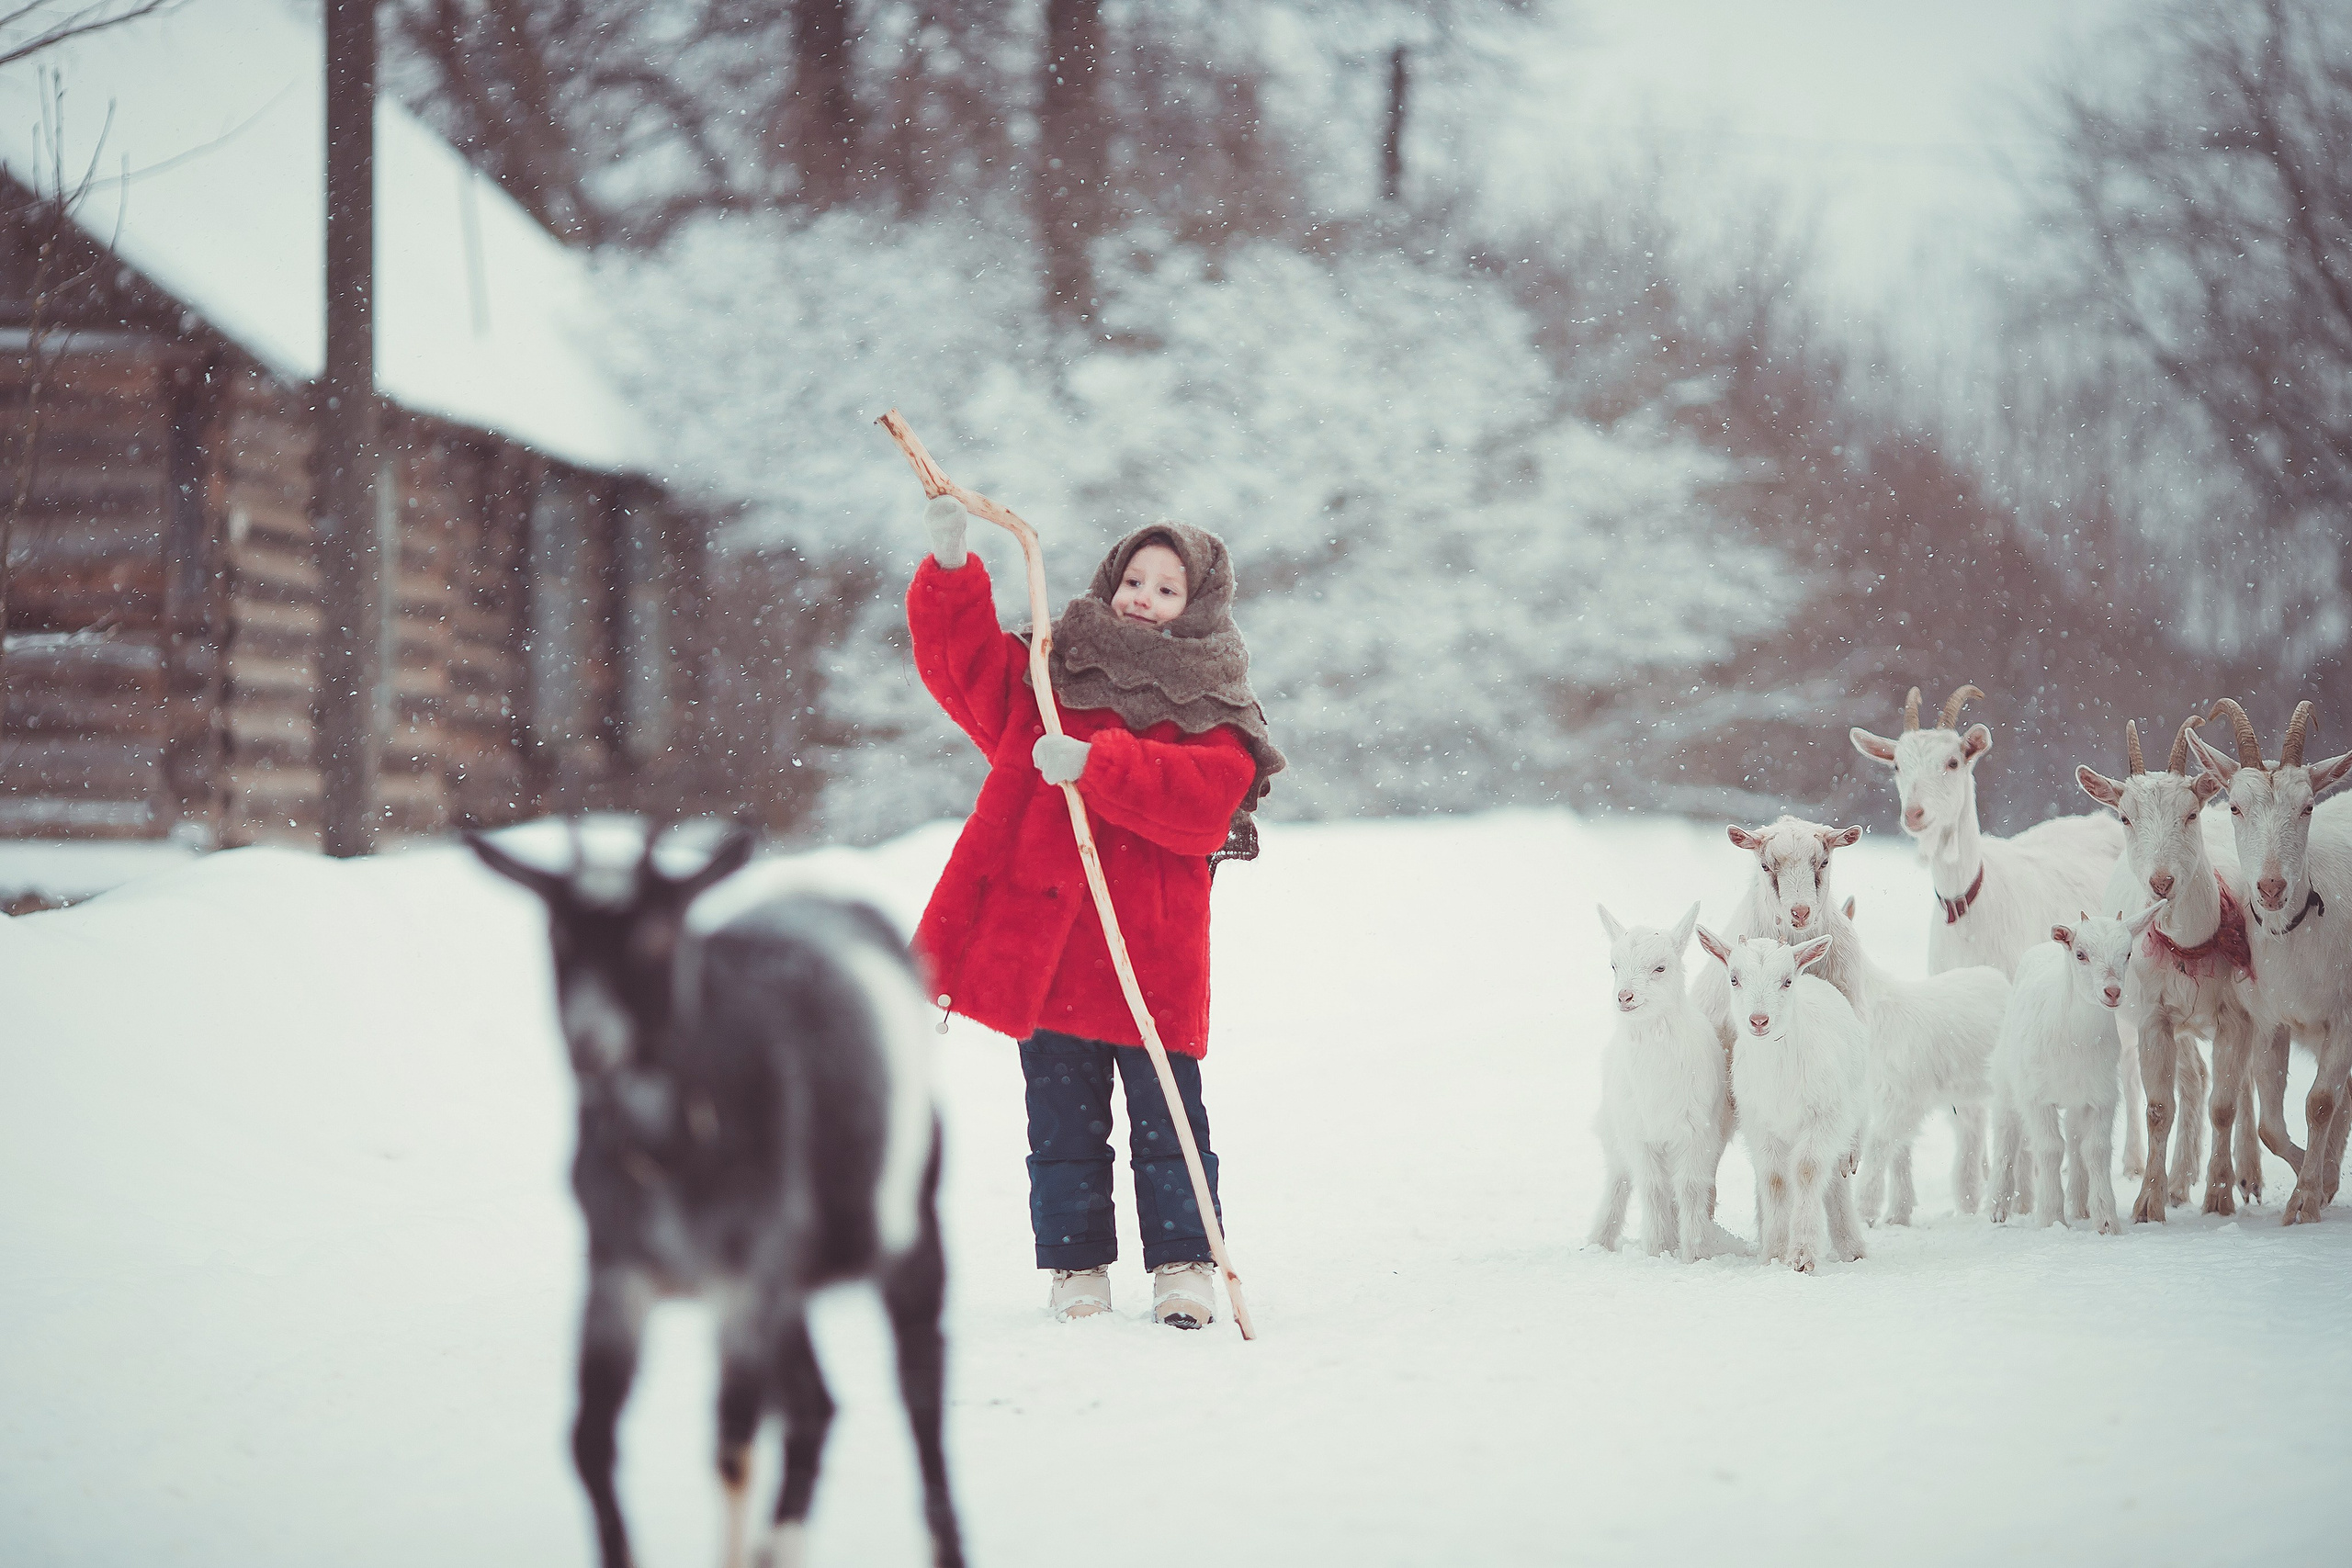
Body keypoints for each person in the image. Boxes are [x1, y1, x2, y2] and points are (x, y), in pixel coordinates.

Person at [906, 493, 1283, 1327]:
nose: (1143, 598)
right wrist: (951, 571)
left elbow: (1205, 799)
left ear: (1198, 604)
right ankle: (1076, 1268)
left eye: (1167, 588)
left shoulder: (1212, 691)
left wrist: (1096, 765)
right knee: (1062, 1127)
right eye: (1134, 579)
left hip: (1150, 950)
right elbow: (964, 673)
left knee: (1169, 1121)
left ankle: (1185, 1264)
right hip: (1051, 947)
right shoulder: (1056, 666)